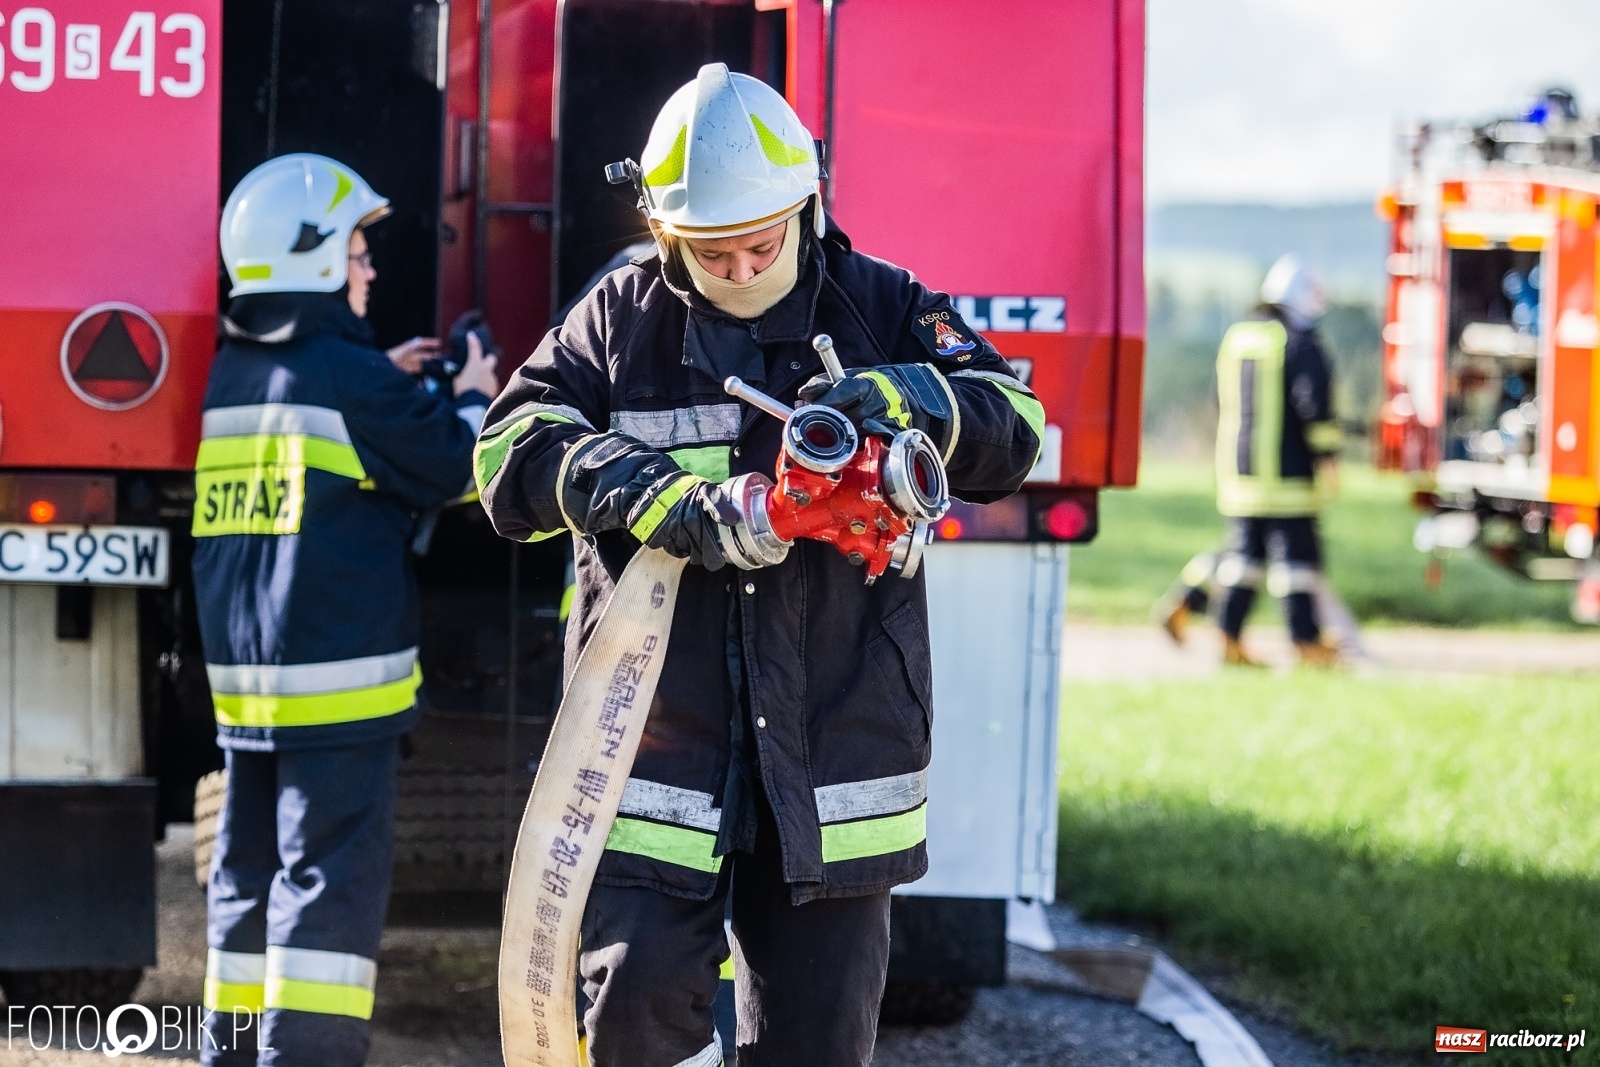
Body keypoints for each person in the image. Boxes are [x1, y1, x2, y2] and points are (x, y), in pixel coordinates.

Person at [474, 64, 1042, 1067]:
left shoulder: (881, 305)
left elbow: (1021, 426)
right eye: (708, 249)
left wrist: (910, 396)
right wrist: (668, 504)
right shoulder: (617, 321)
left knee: (815, 1047)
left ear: (804, 206)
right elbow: (506, 452)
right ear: (663, 229)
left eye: (758, 243)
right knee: (634, 1028)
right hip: (654, 768)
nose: (736, 269)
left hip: (833, 765)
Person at [191, 153, 499, 1067]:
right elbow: (455, 464)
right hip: (338, 693)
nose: (369, 267)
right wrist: (476, 389)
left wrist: (389, 374)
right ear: (315, 258)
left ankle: (234, 1053)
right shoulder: (352, 378)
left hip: (248, 694)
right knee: (328, 893)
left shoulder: (238, 370)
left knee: (245, 881)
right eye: (358, 249)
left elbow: (340, 423)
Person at [1159, 253, 1342, 667]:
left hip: (1239, 474)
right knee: (1297, 562)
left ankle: (1226, 636)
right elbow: (1315, 408)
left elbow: (1218, 400)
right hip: (1288, 476)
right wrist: (1328, 457)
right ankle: (1306, 643)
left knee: (1244, 560)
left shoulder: (1238, 339)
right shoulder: (1300, 342)